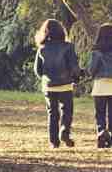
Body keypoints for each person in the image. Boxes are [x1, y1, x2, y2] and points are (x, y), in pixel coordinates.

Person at [33, 19, 82, 148]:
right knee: (67, 111)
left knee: (52, 113)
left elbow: (37, 70)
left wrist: (46, 79)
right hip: (65, 85)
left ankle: (54, 142)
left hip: (49, 86)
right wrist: (76, 78)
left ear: (45, 32)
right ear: (61, 31)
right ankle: (64, 131)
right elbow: (74, 66)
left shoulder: (42, 48)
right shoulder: (68, 46)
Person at [87, 23, 112, 148]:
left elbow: (91, 70)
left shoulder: (96, 53)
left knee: (100, 114)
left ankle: (101, 131)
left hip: (99, 87)